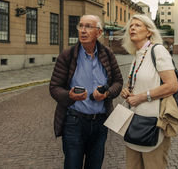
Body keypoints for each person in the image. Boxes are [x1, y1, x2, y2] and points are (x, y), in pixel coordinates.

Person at [49, 15, 123, 169]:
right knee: (72, 165)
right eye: (81, 26)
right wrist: (69, 95)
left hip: (100, 122)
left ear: (99, 32)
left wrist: (107, 93)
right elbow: (54, 87)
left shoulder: (107, 54)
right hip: (74, 122)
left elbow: (118, 82)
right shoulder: (67, 55)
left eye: (88, 26)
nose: (83, 30)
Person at [120, 14, 178, 169]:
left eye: (138, 25)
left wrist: (141, 97)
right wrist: (128, 92)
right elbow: (139, 84)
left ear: (149, 32)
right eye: (131, 26)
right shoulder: (136, 56)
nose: (132, 28)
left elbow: (172, 85)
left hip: (153, 123)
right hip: (133, 123)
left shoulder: (158, 51)